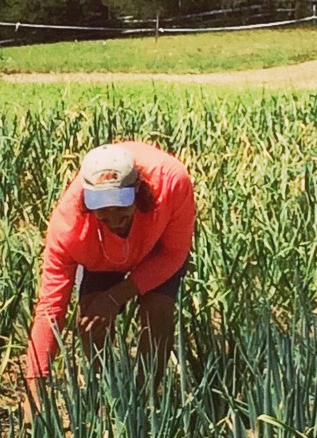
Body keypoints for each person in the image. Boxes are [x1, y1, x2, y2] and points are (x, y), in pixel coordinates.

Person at [23, 140, 196, 392]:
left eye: (121, 205)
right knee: (92, 318)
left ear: (138, 190)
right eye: (102, 209)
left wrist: (115, 297)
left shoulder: (171, 182)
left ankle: (145, 395)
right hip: (101, 253)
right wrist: (35, 384)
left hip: (157, 249)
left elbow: (174, 253)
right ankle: (104, 397)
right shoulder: (70, 227)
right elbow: (51, 306)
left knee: (157, 311)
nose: (114, 218)